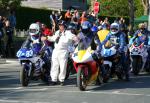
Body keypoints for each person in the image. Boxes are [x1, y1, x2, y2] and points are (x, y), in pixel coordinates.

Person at [41, 20, 78, 86]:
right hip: (56, 50)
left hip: (63, 51)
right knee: (54, 65)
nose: (60, 26)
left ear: (64, 26)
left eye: (61, 25)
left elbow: (74, 37)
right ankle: (54, 80)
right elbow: (53, 38)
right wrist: (46, 37)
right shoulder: (57, 32)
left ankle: (61, 80)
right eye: (59, 25)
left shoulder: (68, 33)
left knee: (62, 66)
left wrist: (76, 39)